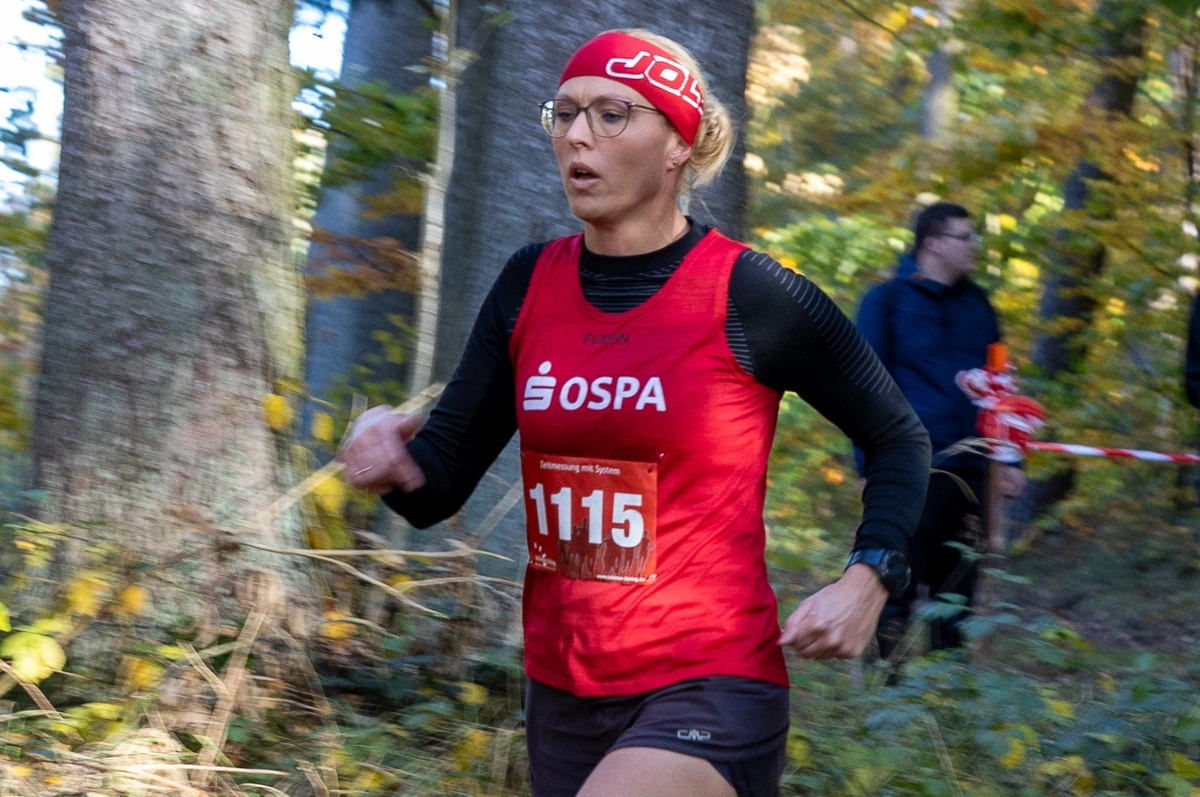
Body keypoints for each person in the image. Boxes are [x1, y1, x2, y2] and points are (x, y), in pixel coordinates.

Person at [339, 29, 929, 797]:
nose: (578, 134)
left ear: (677, 144)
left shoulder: (751, 295)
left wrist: (870, 576)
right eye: (567, 112)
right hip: (562, 685)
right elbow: (439, 486)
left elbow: (899, 436)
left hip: (710, 681)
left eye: (613, 114)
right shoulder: (528, 286)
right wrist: (388, 460)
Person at [856, 202, 1024, 659]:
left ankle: (944, 705)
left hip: (973, 472)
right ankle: (883, 704)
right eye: (964, 237)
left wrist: (1010, 458)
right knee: (896, 587)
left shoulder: (980, 304)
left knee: (958, 597)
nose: (974, 247)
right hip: (910, 470)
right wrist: (868, 466)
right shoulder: (885, 302)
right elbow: (863, 390)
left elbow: (1000, 384)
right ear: (933, 243)